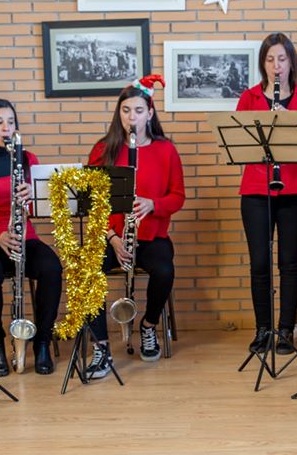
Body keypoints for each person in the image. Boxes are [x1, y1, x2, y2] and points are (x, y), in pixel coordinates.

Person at [85, 76, 185, 378]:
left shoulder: (166, 150)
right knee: (88, 269)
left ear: (150, 113)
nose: (132, 117)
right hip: (113, 236)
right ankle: (101, 346)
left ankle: (149, 326)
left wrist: (153, 204)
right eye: (126, 110)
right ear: (119, 113)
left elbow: (178, 197)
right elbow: (93, 202)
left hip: (151, 236)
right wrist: (113, 238)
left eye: (139, 111)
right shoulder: (102, 150)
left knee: (164, 270)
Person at [0, 99, 63, 376]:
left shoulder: (28, 159)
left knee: (52, 268)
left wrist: (32, 197)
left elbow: (39, 210)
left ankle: (42, 341)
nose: (6, 128)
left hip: (24, 237)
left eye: (11, 122)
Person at [237, 33, 297, 356]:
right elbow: (240, 144)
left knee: (288, 262)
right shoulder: (249, 98)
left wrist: (289, 125)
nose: (276, 66)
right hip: (257, 190)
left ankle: (286, 329)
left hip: (296, 189)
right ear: (263, 64)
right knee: (259, 263)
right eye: (270, 59)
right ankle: (263, 329)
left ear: (291, 62)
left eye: (282, 59)